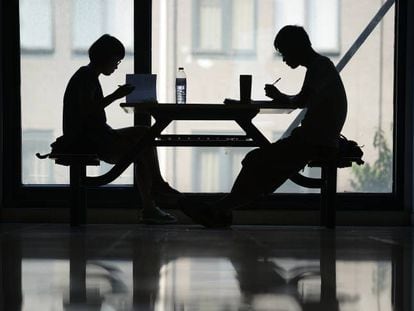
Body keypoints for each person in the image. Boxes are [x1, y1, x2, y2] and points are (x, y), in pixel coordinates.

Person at [181, 25, 348, 228]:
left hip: (315, 142)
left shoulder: (319, 67)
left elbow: (300, 100)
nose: (285, 60)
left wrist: (282, 97)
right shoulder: (320, 66)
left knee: (256, 160)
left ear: (296, 47)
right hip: (318, 139)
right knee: (262, 163)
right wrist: (282, 97)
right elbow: (302, 100)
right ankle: (223, 208)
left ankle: (221, 209)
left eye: (285, 53)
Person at [60, 34, 181, 224]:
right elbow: (87, 110)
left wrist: (116, 95)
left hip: (96, 135)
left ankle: (155, 190)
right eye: (116, 61)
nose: (117, 66)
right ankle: (152, 199)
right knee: (142, 147)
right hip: (92, 140)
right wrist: (116, 95)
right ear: (106, 58)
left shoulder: (86, 75)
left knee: (144, 134)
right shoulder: (85, 77)